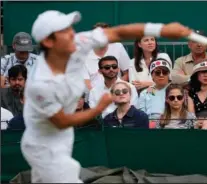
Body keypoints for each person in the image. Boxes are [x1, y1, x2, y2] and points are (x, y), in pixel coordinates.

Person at [20, 10, 192, 183]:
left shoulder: (79, 40)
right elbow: (61, 121)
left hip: (63, 139)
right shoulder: (41, 84)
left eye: (70, 28)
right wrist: (99, 108)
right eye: (64, 31)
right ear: (49, 41)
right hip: (43, 145)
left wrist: (161, 30)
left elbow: (117, 32)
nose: (72, 33)